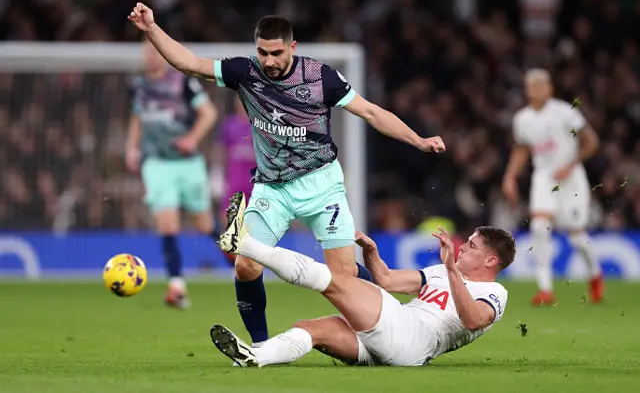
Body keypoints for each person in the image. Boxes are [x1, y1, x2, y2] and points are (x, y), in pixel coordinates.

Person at [128, 3, 446, 345]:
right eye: (262, 52)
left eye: (276, 53)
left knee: (343, 276)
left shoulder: (320, 77)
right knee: (246, 265)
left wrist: (418, 139)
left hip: (322, 186)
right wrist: (151, 29)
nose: (269, 61)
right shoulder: (245, 73)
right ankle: (261, 347)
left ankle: (399, 321)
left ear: (292, 47)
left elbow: (370, 111)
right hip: (272, 189)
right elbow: (189, 63)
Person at [209, 192, 515, 367]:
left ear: (491, 260)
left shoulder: (494, 292)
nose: (463, 248)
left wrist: (450, 270)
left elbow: (474, 320)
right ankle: (254, 357)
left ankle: (244, 244)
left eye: (472, 246)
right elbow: (386, 280)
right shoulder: (439, 273)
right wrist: (372, 253)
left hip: (414, 338)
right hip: (392, 340)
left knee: (336, 282)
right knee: (310, 329)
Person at [126, 39, 219, 309]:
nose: (152, 56)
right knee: (167, 223)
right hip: (156, 163)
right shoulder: (137, 86)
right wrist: (131, 148)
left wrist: (192, 139)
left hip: (188, 163)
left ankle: (240, 265)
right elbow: (136, 117)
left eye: (156, 51)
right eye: (147, 52)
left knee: (204, 224)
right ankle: (176, 287)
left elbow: (209, 113)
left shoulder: (182, 82)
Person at [502, 68, 603, 306]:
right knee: (539, 226)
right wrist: (510, 176)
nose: (535, 89)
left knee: (577, 238)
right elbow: (521, 149)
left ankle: (595, 273)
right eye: (531, 85)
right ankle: (545, 289)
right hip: (544, 177)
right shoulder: (522, 119)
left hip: (571, 178)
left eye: (540, 85)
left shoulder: (564, 112)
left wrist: (572, 164)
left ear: (549, 88)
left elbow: (592, 141)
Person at [217, 96, 256, 264]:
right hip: (234, 182)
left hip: (257, 183)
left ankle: (253, 260)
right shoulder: (229, 125)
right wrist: (217, 174)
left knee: (254, 224)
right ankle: (232, 260)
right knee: (228, 222)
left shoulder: (260, 124)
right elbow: (220, 151)